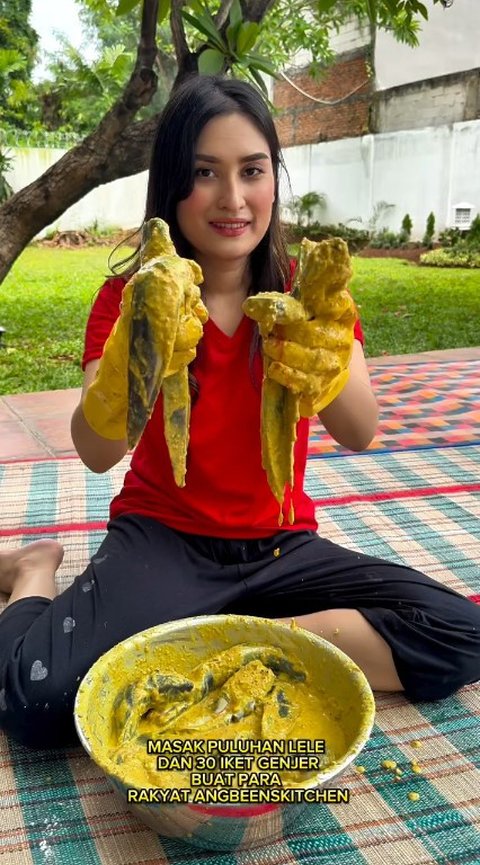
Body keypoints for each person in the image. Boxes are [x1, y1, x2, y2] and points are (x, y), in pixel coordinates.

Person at [0, 75, 479, 749]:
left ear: (273, 180)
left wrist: (326, 347)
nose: (233, 198)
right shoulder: (130, 296)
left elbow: (358, 429)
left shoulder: (309, 296)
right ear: (171, 185)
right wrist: (128, 363)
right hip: (164, 537)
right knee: (34, 700)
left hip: (282, 544)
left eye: (251, 170)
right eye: (204, 173)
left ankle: (231, 638)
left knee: (461, 634)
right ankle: (32, 571)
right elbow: (97, 449)